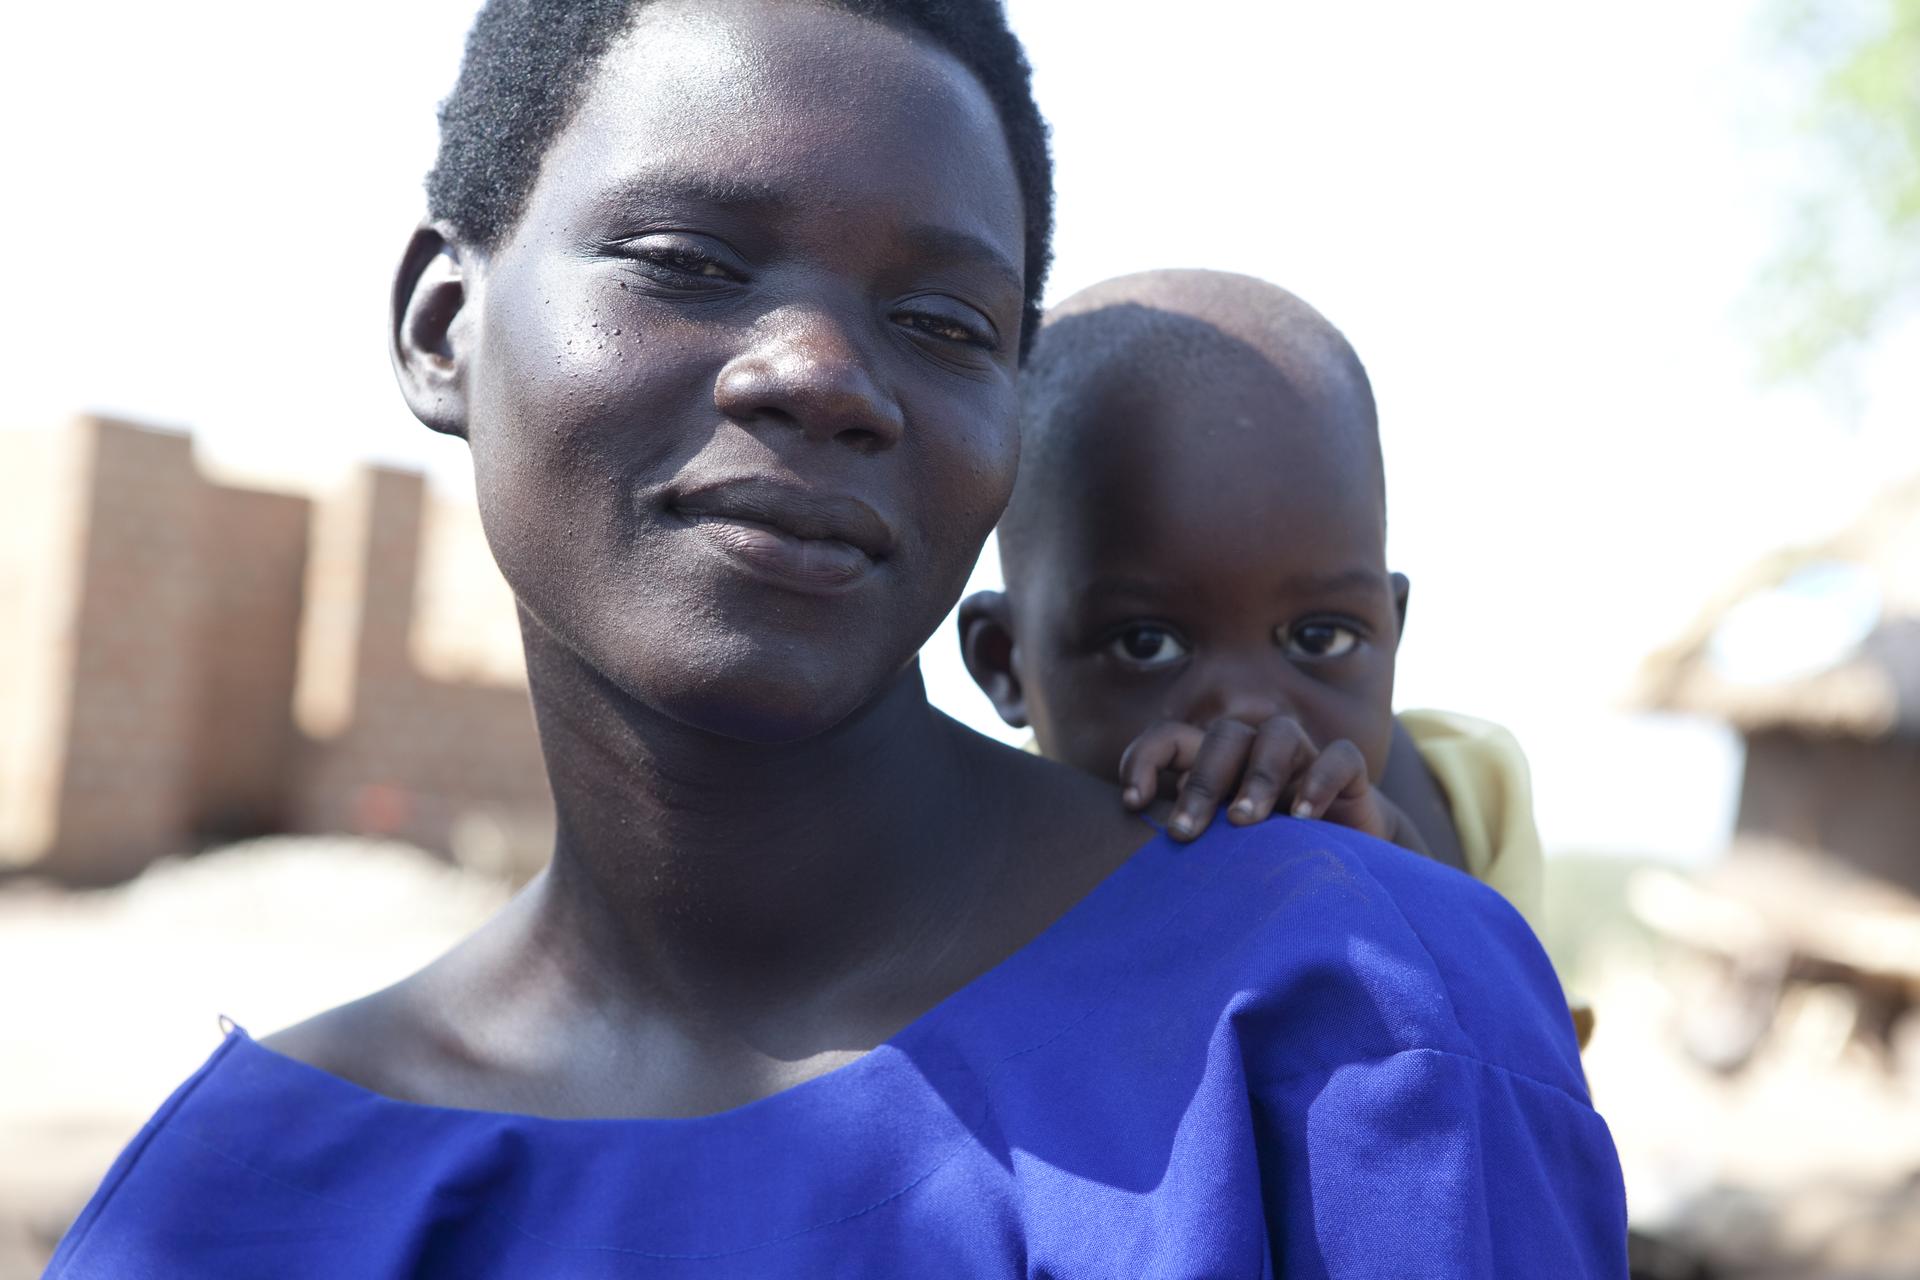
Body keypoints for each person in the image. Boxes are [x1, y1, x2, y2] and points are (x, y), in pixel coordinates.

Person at [47, 2, 1626, 1275]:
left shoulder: (1350, 1027)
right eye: (688, 261)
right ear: (441, 324)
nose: (816, 371)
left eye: (943, 324)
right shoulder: (234, 1212)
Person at [961, 270, 1547, 930]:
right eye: (1146, 644)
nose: (1252, 713)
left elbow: (1519, 1029)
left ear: (1393, 626)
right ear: (1006, 663)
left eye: (1320, 639)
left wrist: (1397, 875)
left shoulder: (1467, 798)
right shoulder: (982, 881)